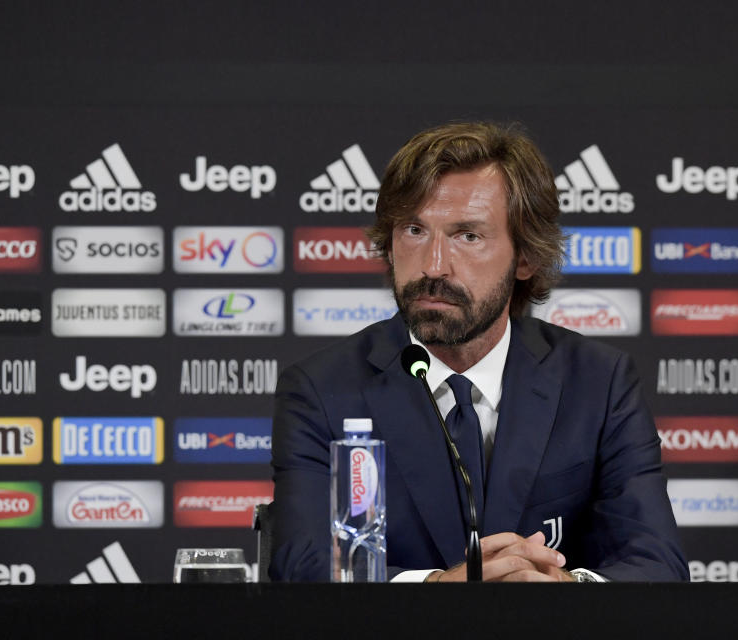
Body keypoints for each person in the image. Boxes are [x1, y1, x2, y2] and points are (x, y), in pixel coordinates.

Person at [270, 122, 688, 582]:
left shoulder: (599, 382)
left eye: (467, 236)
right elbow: (302, 567)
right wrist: (432, 590)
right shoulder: (322, 389)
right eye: (413, 230)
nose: (433, 265)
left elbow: (659, 566)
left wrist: (568, 588)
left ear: (525, 257)